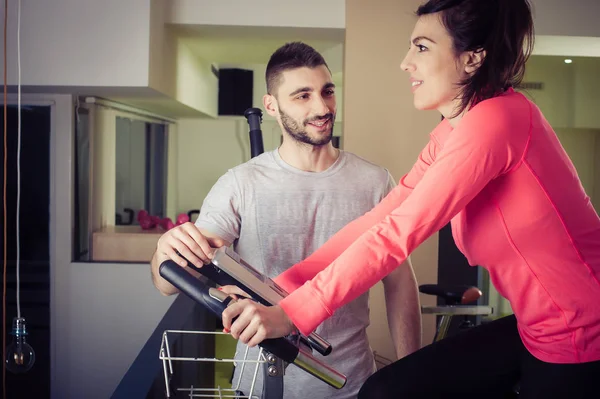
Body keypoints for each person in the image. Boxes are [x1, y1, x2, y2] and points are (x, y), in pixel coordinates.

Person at [220, 1, 600, 397]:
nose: (405, 62)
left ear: (472, 58)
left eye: (421, 47)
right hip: (534, 326)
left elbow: (397, 235)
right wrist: (281, 288)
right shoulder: (454, 132)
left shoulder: (495, 123)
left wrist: (292, 315)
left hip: (581, 334)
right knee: (388, 390)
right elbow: (381, 218)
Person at [150, 42, 422, 398]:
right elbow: (168, 282)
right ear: (272, 106)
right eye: (302, 96)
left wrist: (413, 375)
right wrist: (163, 251)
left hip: (352, 383)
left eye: (327, 91)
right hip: (261, 383)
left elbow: (399, 282)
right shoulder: (240, 184)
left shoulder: (374, 181)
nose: (322, 107)